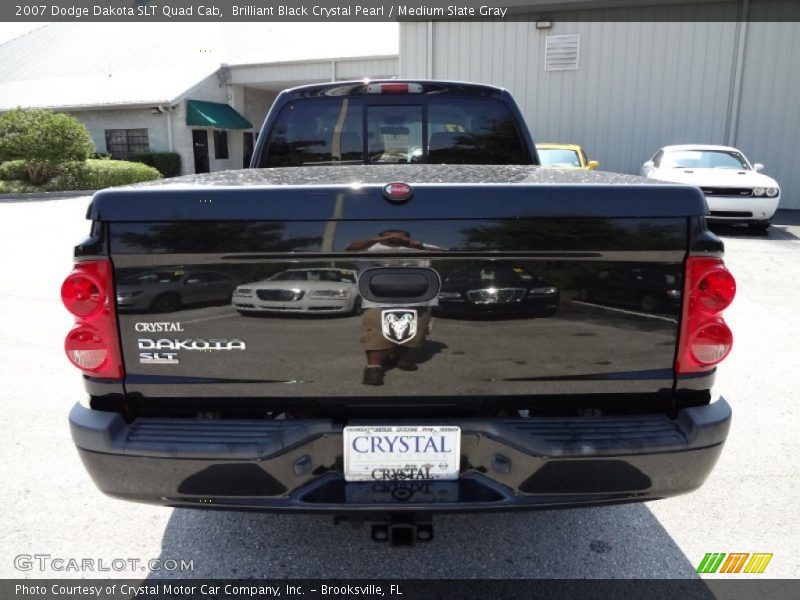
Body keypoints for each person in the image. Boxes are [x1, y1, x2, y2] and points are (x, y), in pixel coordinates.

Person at [346, 230, 438, 386]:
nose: (396, 237)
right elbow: (350, 248)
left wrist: (418, 245)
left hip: (418, 299)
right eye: (391, 234)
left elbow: (447, 253)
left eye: (402, 235)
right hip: (378, 300)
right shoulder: (370, 249)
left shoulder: (419, 250)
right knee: (377, 335)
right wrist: (377, 240)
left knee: (414, 335)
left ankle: (395, 357)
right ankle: (373, 368)